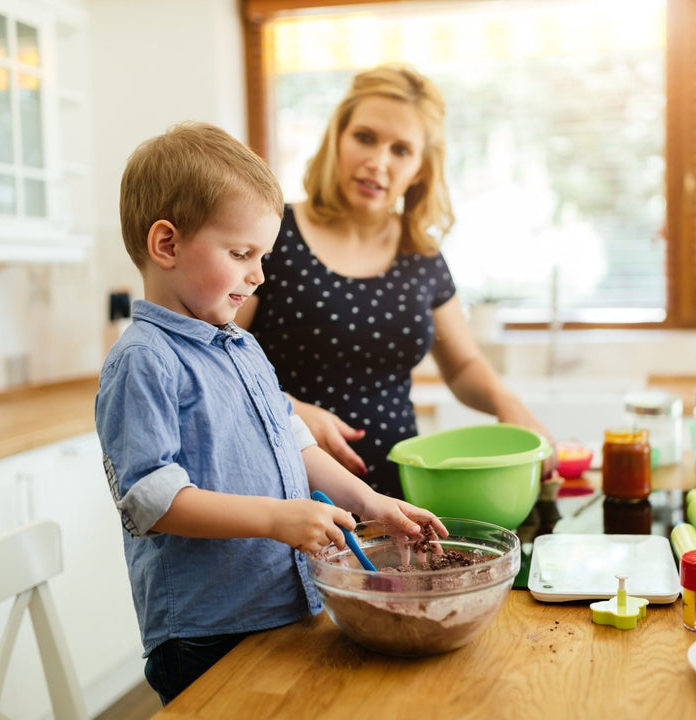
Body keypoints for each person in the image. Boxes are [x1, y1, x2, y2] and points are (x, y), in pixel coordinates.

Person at [95, 121, 445, 705]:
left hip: (279, 604)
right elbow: (153, 502)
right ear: (167, 244)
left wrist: (369, 502)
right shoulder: (143, 361)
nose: (258, 274)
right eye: (241, 254)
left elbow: (292, 439)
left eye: (263, 255)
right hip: (205, 630)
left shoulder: (238, 343)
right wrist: (278, 518)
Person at [237, 64, 556, 499]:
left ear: (421, 168)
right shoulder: (273, 234)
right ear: (337, 137)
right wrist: (285, 409)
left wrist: (507, 404)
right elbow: (215, 359)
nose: (377, 161)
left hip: (397, 496)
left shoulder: (420, 254)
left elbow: (462, 366)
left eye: (401, 149)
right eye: (365, 137)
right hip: (285, 487)